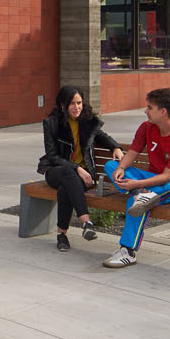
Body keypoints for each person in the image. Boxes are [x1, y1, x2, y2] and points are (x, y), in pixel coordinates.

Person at [101, 87, 170, 269]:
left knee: (135, 203)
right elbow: (132, 153)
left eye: (149, 107)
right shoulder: (147, 128)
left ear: (163, 112)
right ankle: (140, 193)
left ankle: (127, 252)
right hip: (152, 179)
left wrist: (138, 183)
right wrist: (121, 168)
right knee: (111, 166)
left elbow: (168, 176)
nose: (145, 111)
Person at [38, 85, 124, 251]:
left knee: (66, 189)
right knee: (68, 173)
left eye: (79, 103)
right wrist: (77, 168)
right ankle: (86, 222)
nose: (77, 107)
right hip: (56, 171)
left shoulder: (88, 122)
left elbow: (103, 137)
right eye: (72, 103)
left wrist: (115, 147)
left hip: (82, 177)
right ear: (63, 105)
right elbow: (53, 156)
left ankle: (61, 234)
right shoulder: (52, 123)